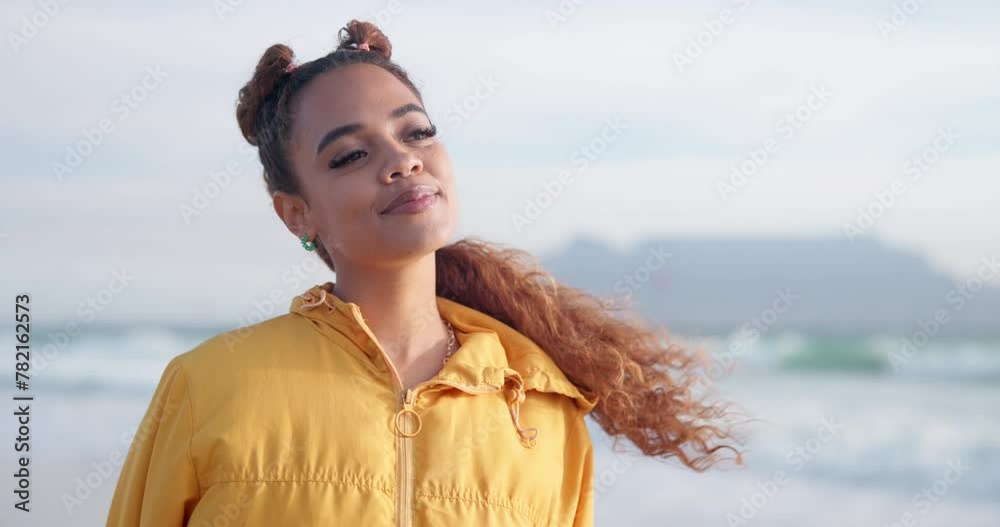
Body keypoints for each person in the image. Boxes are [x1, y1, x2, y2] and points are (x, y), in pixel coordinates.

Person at [106, 19, 740, 526]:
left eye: (417, 133)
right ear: (297, 213)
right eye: (351, 154)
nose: (402, 161)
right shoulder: (210, 385)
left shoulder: (542, 409)